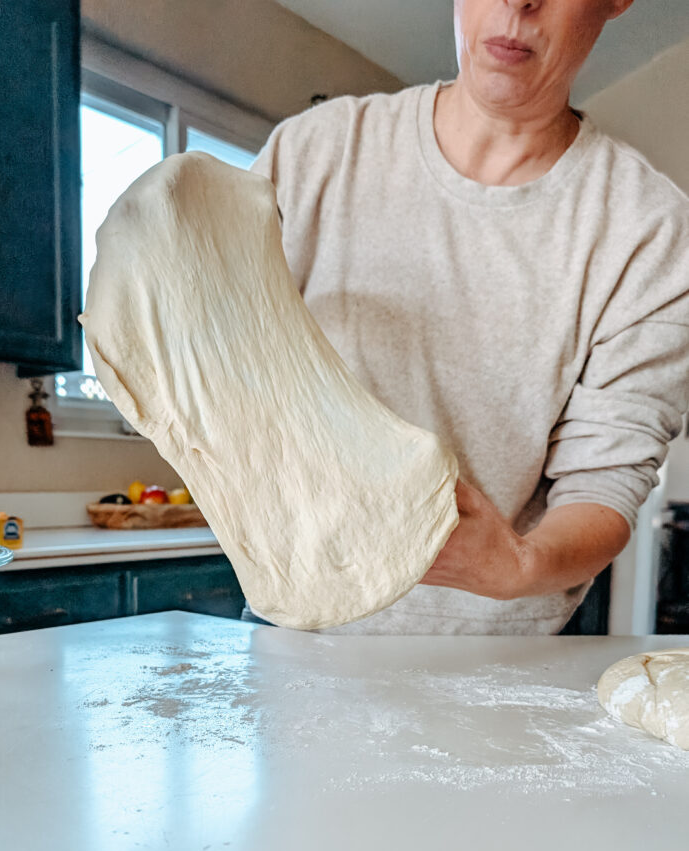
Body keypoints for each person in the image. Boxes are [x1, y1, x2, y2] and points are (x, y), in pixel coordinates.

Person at [245, 0, 689, 635]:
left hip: (497, 650)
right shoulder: (311, 154)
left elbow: (605, 481)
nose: (517, 3)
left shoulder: (651, 231)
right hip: (294, 624)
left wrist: (519, 563)